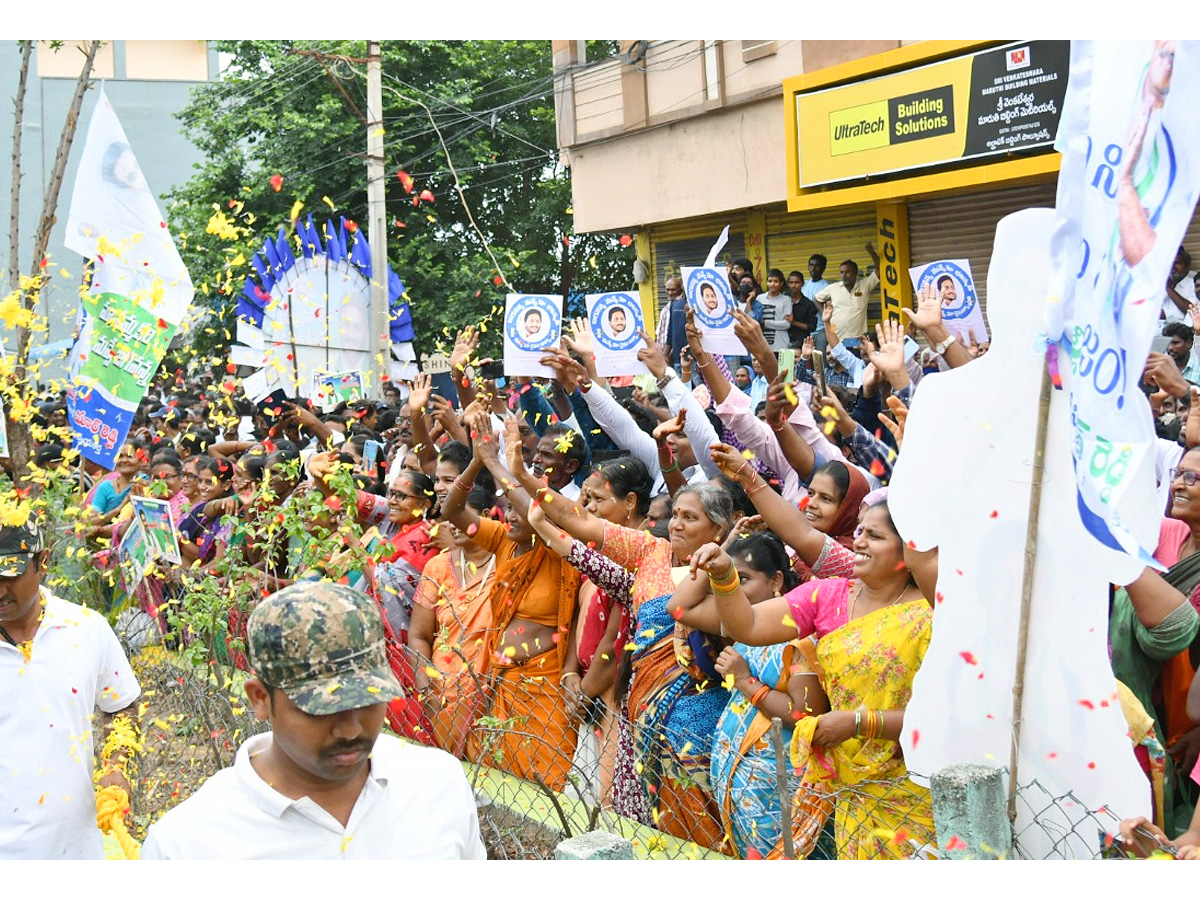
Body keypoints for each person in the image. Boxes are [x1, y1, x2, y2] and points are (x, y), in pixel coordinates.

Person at [140, 582, 486, 859]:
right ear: (261, 698)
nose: (351, 729)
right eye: (320, 708)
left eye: (369, 698)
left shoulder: (438, 785)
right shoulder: (187, 846)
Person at [703, 501, 937, 859]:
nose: (859, 542)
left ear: (908, 549)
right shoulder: (828, 596)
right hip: (851, 790)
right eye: (859, 531)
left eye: (874, 535)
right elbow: (746, 625)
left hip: (914, 785)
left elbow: (943, 718)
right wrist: (723, 576)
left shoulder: (934, 611)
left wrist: (859, 722)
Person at [524, 462, 737, 851]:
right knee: (636, 826)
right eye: (675, 515)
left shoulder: (729, 573)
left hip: (696, 723)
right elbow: (582, 535)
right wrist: (520, 474)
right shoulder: (652, 553)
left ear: (719, 529)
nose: (676, 525)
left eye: (690, 518)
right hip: (638, 713)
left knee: (697, 831)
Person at [441, 411, 582, 792]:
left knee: (542, 789)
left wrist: (496, 461)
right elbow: (451, 511)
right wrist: (475, 462)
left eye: (515, 507)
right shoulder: (504, 540)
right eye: (505, 506)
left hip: (546, 687)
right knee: (497, 787)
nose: (508, 513)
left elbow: (536, 512)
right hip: (500, 684)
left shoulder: (558, 547)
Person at [0, 517, 142, 859]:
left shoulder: (86, 628)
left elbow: (121, 703)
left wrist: (116, 766)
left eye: (10, 575)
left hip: (74, 852)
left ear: (43, 562)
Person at [668, 530, 806, 858]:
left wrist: (744, 680)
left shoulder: (801, 632)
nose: (731, 588)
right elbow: (678, 606)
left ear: (775, 580)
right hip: (739, 783)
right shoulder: (740, 621)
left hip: (775, 786)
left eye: (742, 579)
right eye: (730, 579)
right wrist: (720, 557)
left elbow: (804, 715)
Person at [408, 485, 497, 757]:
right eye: (449, 515)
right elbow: (419, 635)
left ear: (486, 515)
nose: (452, 524)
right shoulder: (438, 566)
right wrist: (425, 684)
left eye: (461, 513)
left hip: (492, 699)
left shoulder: (508, 564)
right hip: (440, 697)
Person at [814, 243, 880, 342]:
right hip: (836, 338)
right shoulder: (833, 288)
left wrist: (872, 253)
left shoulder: (864, 285)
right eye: (841, 272)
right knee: (835, 357)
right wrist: (824, 314)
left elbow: (879, 270)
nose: (844, 275)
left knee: (855, 357)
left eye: (847, 272)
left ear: (855, 273)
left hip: (857, 339)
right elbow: (816, 298)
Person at [760, 268, 792, 351]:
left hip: (781, 345)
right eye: (770, 281)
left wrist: (766, 323)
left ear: (781, 283)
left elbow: (786, 324)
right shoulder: (760, 298)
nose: (772, 284)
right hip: (763, 345)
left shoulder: (786, 300)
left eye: (776, 281)